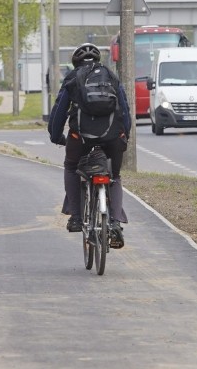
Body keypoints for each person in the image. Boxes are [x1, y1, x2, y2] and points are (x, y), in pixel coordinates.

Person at [47, 43, 132, 249]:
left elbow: (59, 111)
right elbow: (125, 111)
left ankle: (76, 217)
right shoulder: (110, 76)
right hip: (113, 137)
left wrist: (56, 136)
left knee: (71, 167)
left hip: (81, 137)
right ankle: (114, 223)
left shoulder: (72, 78)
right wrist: (124, 136)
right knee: (115, 176)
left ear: (75, 63)